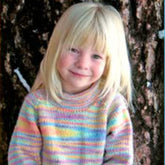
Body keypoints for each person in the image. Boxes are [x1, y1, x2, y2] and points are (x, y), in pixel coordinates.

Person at [8, 2, 134, 165]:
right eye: (74, 50)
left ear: (108, 62)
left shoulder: (112, 106)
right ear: (56, 48)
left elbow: (120, 159)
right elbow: (22, 156)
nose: (82, 64)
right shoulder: (37, 104)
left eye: (96, 56)